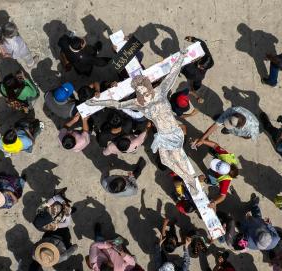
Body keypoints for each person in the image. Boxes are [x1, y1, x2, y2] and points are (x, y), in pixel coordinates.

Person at [86, 48, 201, 194]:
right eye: (140, 92)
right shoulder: (139, 103)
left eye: (144, 89)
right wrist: (95, 104)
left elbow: (172, 75)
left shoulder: (160, 92)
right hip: (162, 135)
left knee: (178, 156)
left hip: (172, 131)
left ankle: (190, 180)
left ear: (148, 87)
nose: (143, 93)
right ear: (138, 93)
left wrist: (181, 58)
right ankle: (188, 179)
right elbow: (117, 104)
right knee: (166, 160)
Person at [193, 139, 239, 209]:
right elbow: (215, 145)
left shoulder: (225, 181)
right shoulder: (226, 157)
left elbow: (223, 196)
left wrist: (215, 202)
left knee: (213, 180)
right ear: (225, 162)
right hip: (220, 160)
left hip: (217, 176)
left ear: (221, 174)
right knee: (215, 151)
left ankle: (209, 181)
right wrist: (203, 141)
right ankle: (214, 152)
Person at [181, 36, 214, 103]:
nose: (198, 66)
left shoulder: (197, 74)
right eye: (199, 63)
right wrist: (193, 39)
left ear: (204, 68)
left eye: (200, 66)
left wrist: (190, 62)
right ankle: (196, 87)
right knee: (198, 83)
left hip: (194, 75)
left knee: (197, 81)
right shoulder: (207, 56)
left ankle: (196, 87)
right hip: (197, 76)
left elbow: (185, 67)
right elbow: (202, 43)